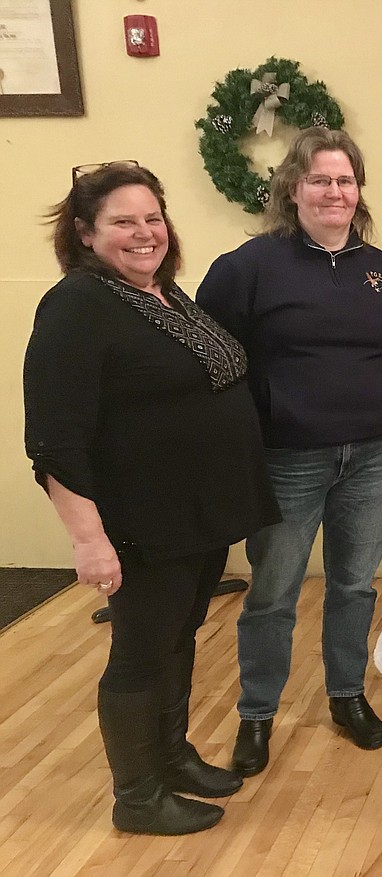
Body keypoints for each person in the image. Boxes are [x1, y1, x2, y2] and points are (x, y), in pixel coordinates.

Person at [24, 162, 279, 835]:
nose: (144, 233)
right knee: (140, 651)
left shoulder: (161, 293)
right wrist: (87, 537)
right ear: (83, 232)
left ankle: (172, 755)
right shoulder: (78, 304)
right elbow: (54, 437)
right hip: (145, 521)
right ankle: (137, 794)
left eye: (152, 218)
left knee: (176, 638)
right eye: (123, 222)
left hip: (196, 515)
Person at [197, 128, 382, 774]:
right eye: (320, 180)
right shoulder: (249, 267)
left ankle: (346, 695)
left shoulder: (380, 269)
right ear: (293, 188)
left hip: (370, 456)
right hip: (288, 459)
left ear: (358, 191)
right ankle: (256, 713)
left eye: (345, 180)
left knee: (352, 583)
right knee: (275, 589)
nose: (334, 192)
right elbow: (209, 353)